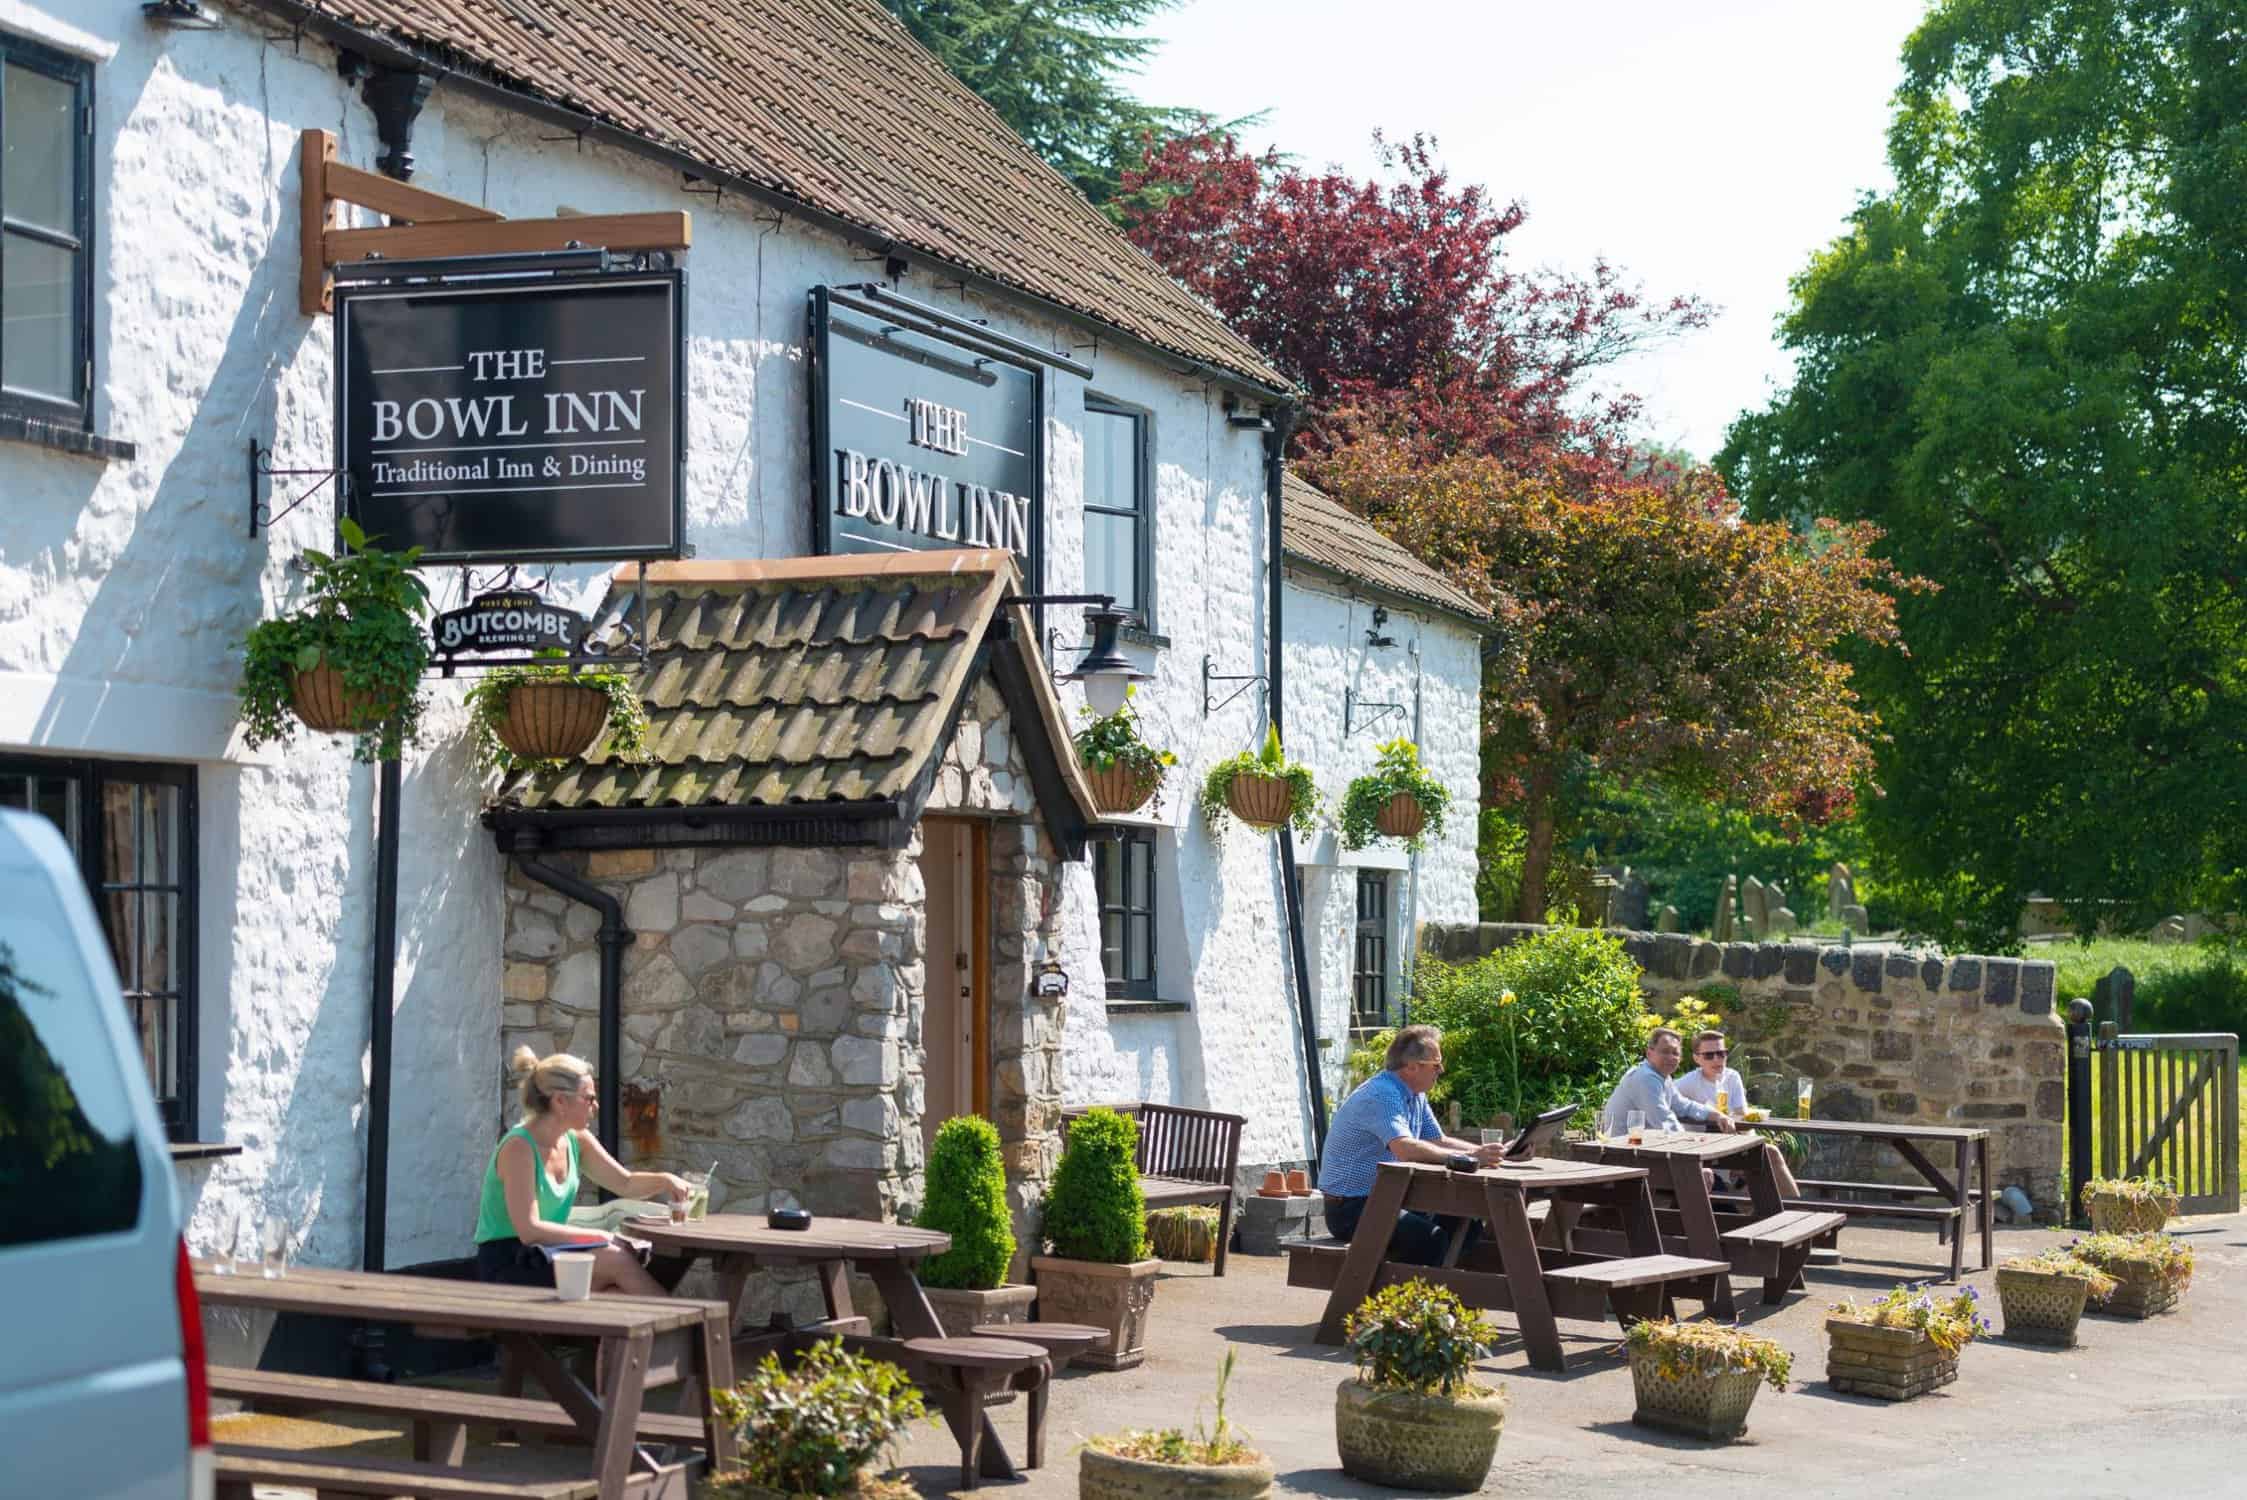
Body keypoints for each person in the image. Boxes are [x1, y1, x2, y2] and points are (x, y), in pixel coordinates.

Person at [474, 1047, 689, 1294]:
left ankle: (671, 1331)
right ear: (560, 1101)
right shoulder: (519, 1148)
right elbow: (530, 1231)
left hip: (552, 1255)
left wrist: (665, 1181)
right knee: (614, 1259)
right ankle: (688, 1330)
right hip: (511, 1265)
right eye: (588, 1098)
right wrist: (601, 1236)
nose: (595, 1106)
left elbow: (625, 1183)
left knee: (616, 1294)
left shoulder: (577, 1140)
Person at [1316, 1026, 1507, 1266]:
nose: (1441, 1070)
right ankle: (1417, 1297)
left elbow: (1437, 1140)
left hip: (1388, 1198)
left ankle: (1449, 1293)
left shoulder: (1414, 1093)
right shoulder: (1382, 1094)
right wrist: (1470, 1157)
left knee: (1465, 1222)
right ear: (1412, 1066)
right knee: (1430, 1238)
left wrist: (1492, 1153)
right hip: (1350, 1209)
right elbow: (1404, 1149)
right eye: (1436, 1065)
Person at [1658, 1028, 1803, 1195]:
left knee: (1771, 1154)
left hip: (1733, 1144)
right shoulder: (1688, 1083)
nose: (1717, 1059)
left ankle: (1800, 1210)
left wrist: (1748, 1141)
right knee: (1757, 1169)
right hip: (1705, 1151)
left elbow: (1741, 1115)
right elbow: (1662, 1103)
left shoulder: (1732, 1077)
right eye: (1709, 1055)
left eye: (1722, 1053)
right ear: (1697, 1058)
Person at [1602, 1027, 1738, 1137]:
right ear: (1649, 1053)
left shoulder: (1663, 1077)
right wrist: (1692, 1140)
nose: (1671, 1057)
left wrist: (1716, 1115)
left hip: (1639, 1149)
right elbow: (1664, 1122)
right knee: (1700, 1168)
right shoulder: (1645, 1078)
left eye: (1675, 1053)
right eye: (1665, 1051)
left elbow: (1684, 1106)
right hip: (1622, 1154)